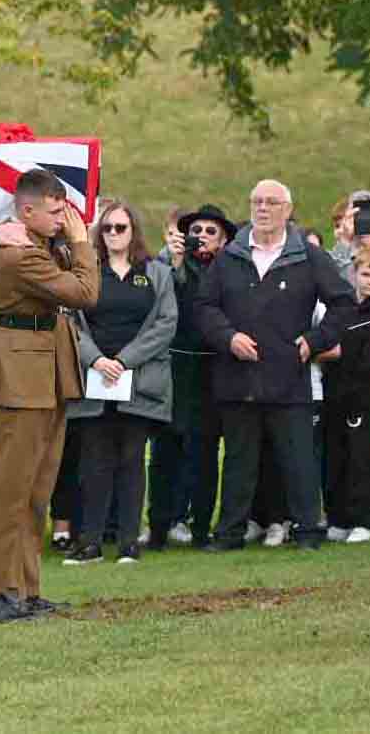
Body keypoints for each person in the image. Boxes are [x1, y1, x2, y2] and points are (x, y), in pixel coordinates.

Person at [0, 168, 99, 623]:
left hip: (39, 373)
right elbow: (84, 292)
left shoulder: (35, 246)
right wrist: (82, 243)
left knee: (34, 491)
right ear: (25, 210)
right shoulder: (18, 254)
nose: (64, 218)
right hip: (15, 377)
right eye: (55, 212)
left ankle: (22, 589)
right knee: (4, 490)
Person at [197, 179, 356, 552]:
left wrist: (314, 342)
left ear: (287, 209)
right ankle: (229, 534)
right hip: (238, 376)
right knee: (238, 461)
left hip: (289, 376)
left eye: (271, 202)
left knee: (299, 460)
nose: (262, 209)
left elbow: (344, 303)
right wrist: (227, 337)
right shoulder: (230, 255)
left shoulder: (309, 256)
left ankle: (308, 533)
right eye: (256, 202)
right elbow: (204, 307)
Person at [64, 199, 177, 565]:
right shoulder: (87, 270)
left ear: (133, 232)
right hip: (94, 379)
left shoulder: (155, 272)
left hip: (139, 379)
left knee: (131, 460)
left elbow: (166, 322)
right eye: (107, 227)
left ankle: (129, 541)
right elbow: (69, 322)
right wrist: (96, 359)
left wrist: (125, 361)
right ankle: (91, 542)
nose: (113, 234)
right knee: (93, 462)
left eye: (121, 228)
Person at [147, 204, 237, 548]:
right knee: (164, 449)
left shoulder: (229, 271)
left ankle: (200, 527)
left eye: (210, 232)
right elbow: (157, 300)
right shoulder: (169, 265)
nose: (201, 237)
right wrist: (173, 262)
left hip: (211, 369)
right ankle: (158, 526)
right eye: (195, 231)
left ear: (225, 240)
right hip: (173, 366)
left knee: (203, 452)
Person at [320, 247, 370, 544]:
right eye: (365, 274)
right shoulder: (344, 307)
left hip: (364, 395)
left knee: (362, 459)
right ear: (355, 273)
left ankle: (364, 520)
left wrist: (340, 354)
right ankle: (338, 518)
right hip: (334, 392)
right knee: (335, 457)